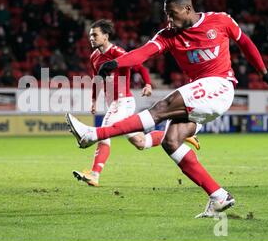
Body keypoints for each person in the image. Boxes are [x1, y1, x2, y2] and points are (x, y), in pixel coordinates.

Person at [66, 0, 268, 217]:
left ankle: (93, 134)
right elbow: (142, 54)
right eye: (166, 15)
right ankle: (218, 196)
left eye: (172, 14)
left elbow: (245, 42)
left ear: (187, 9)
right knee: (171, 142)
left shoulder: (220, 20)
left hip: (220, 86)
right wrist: (115, 63)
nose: (169, 20)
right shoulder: (168, 35)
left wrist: (264, 73)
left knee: (162, 107)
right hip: (201, 96)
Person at [73, 19, 200, 187]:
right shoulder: (94, 57)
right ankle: (183, 135)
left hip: (122, 101)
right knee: (141, 142)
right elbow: (97, 80)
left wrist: (147, 83)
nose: (91, 38)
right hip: (115, 103)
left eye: (95, 35)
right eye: (90, 35)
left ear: (105, 36)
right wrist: (94, 101)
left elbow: (139, 66)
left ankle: (95, 174)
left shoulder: (117, 52)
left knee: (104, 132)